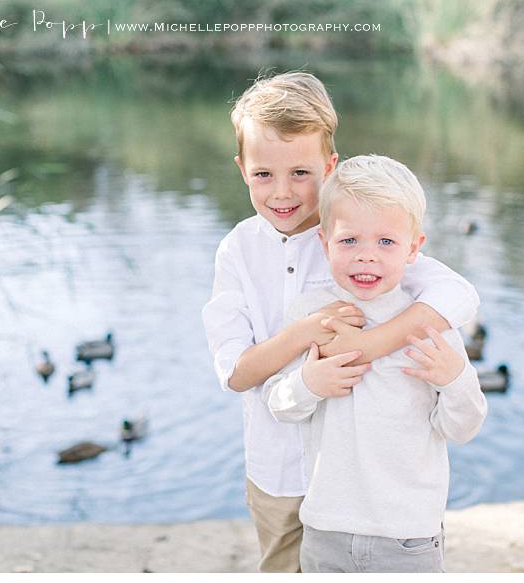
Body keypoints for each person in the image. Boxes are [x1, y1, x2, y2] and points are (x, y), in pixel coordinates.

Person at [201, 72, 479, 573]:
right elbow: (237, 374)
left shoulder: (361, 236)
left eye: (301, 173)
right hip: (278, 470)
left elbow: (457, 294)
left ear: (330, 167)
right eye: (264, 174)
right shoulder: (238, 251)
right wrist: (303, 335)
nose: (283, 192)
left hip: (368, 485)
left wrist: (369, 346)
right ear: (242, 169)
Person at [263, 154, 488, 573]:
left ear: (413, 249)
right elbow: (278, 404)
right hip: (326, 529)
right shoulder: (311, 315)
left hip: (407, 535)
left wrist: (455, 380)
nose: (366, 257)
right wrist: (309, 382)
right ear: (324, 242)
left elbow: (462, 427)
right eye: (350, 241)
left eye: (386, 242)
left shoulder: (429, 325)